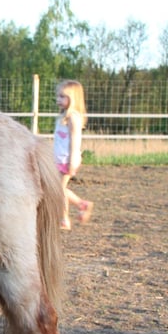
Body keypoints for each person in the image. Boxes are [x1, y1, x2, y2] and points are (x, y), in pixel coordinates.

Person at [53, 79, 93, 231]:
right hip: (59, 158)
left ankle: (64, 219)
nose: (58, 100)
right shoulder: (63, 117)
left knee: (59, 189)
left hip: (66, 159)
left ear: (73, 98)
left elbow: (75, 140)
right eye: (58, 96)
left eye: (62, 97)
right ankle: (81, 204)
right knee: (59, 188)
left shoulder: (73, 117)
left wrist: (73, 159)